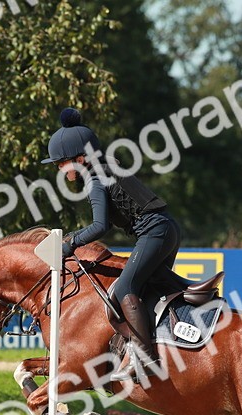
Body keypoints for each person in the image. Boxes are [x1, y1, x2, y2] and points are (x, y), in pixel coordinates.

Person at [42, 107, 183, 381]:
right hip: (167, 228)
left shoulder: (95, 179)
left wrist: (69, 245)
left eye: (62, 163)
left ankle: (145, 358)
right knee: (152, 288)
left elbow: (99, 227)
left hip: (154, 232)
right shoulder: (108, 166)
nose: (60, 168)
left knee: (126, 288)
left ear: (80, 159)